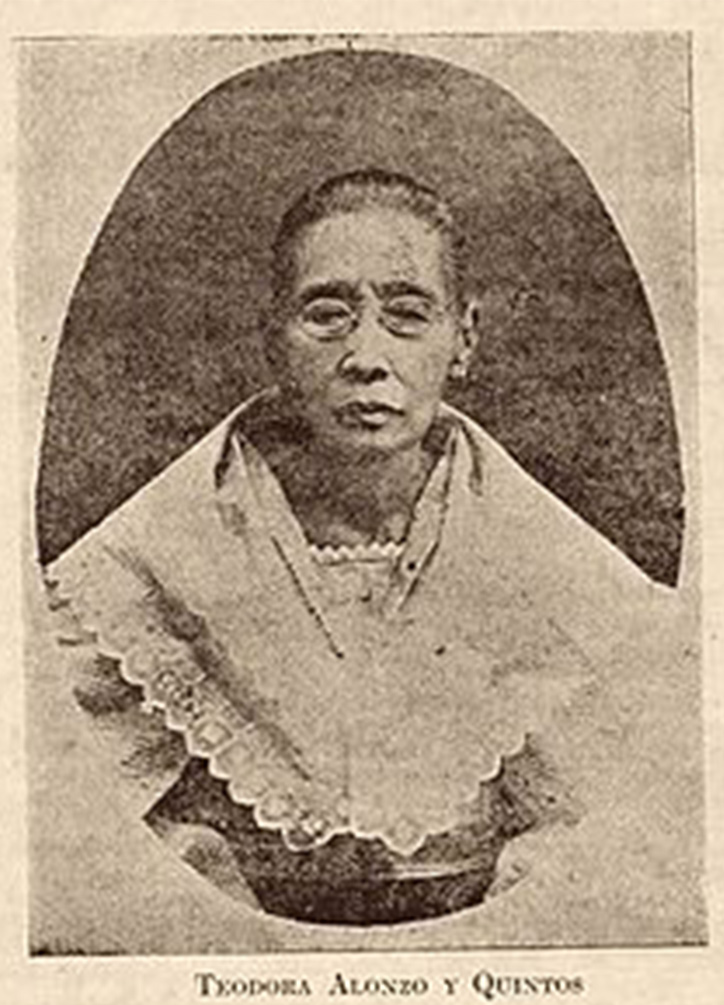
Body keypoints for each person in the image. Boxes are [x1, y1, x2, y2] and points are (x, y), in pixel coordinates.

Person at [45, 169, 690, 933]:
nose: (366, 356)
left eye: (407, 314)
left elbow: (614, 825)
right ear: (272, 338)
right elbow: (70, 815)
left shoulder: (549, 559)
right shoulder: (148, 557)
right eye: (326, 315)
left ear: (464, 337)